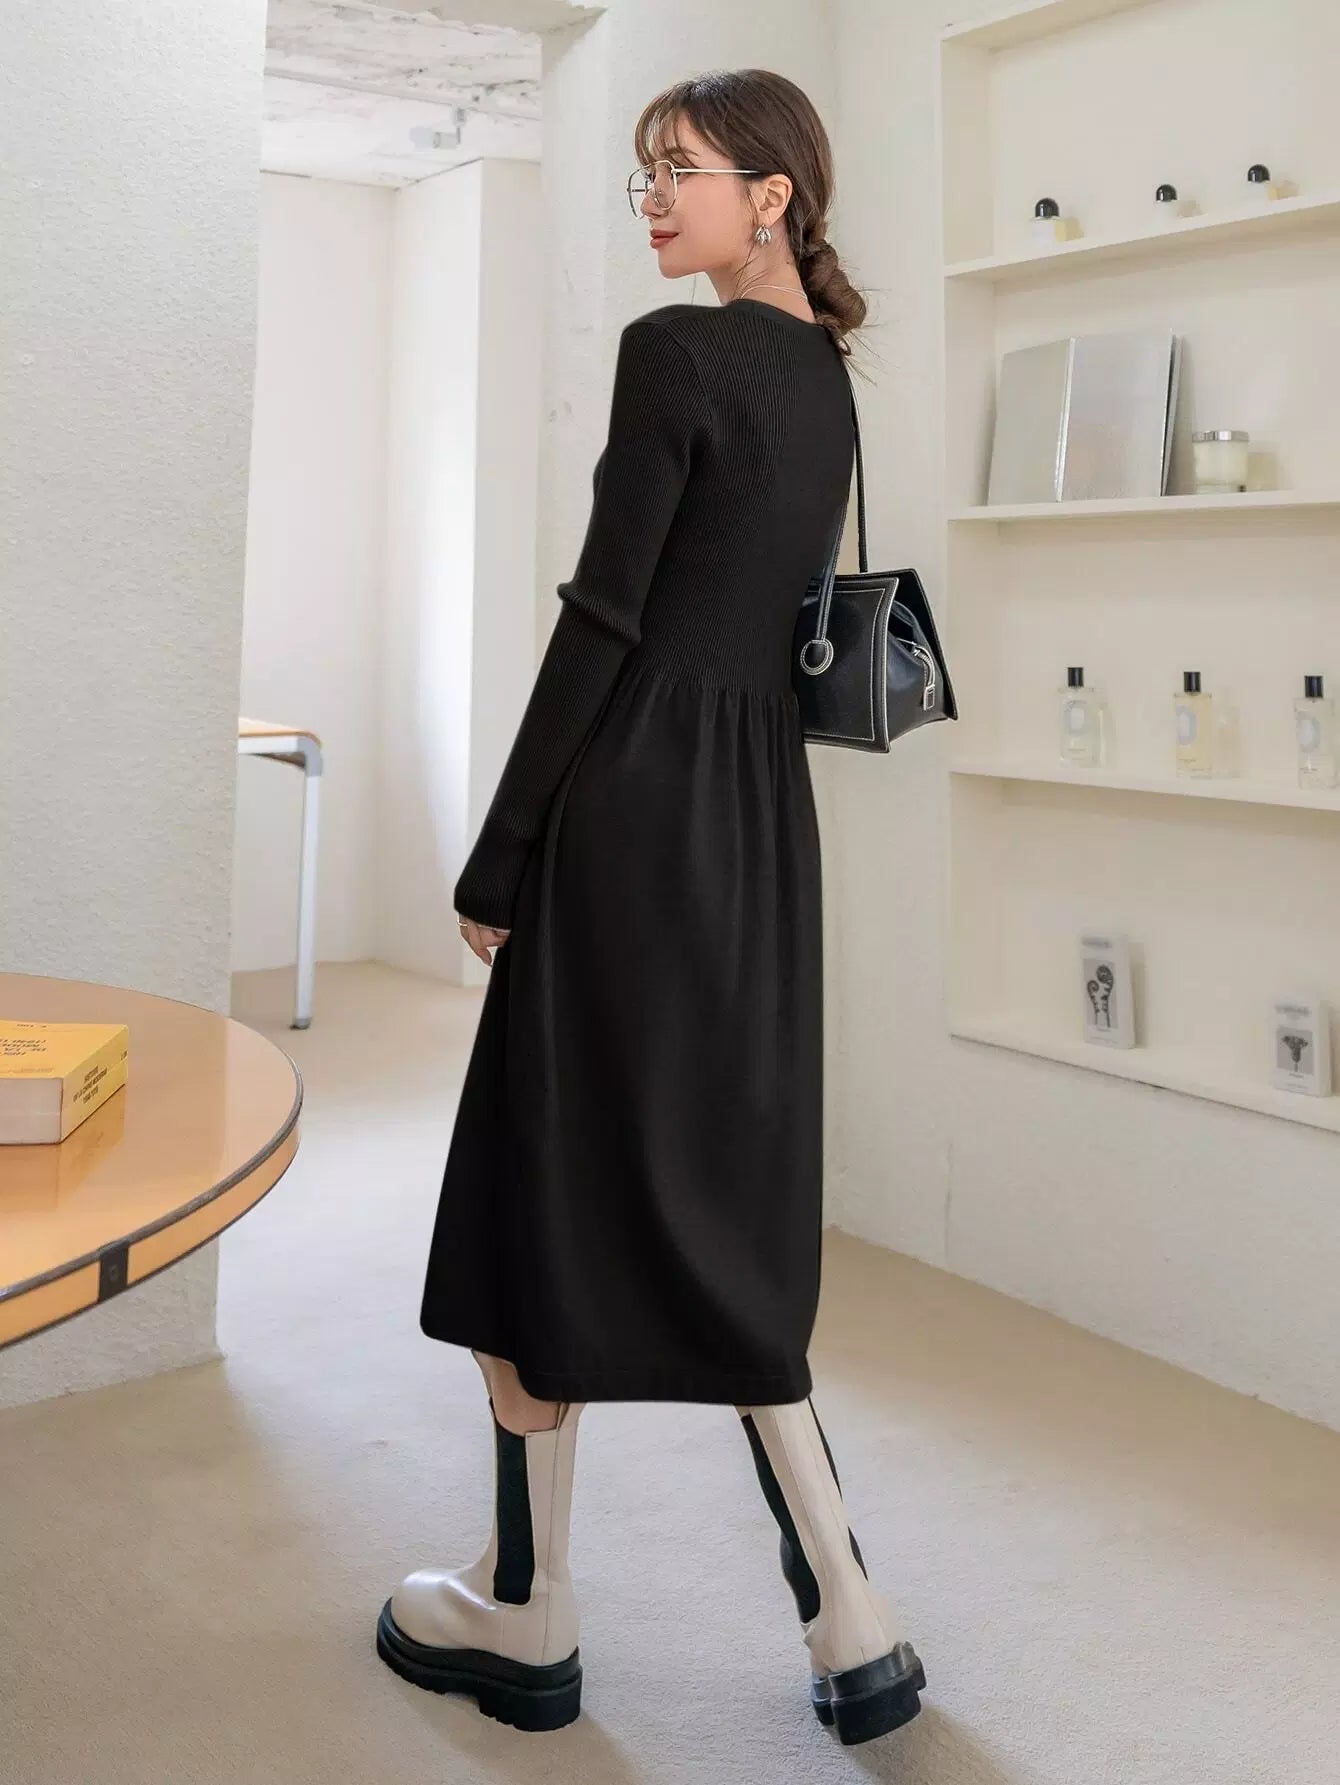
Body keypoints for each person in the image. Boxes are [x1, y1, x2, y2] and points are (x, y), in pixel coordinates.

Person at [374, 68, 925, 1748]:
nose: (654, 199)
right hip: (757, 820)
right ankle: (853, 1618)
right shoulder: (827, 384)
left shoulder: (674, 352)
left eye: (680, 170)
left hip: (629, 810)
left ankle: (527, 1611)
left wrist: (502, 849)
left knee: (530, 1183)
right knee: (721, 1191)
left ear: (773, 194)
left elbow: (606, 620)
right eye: (646, 173)